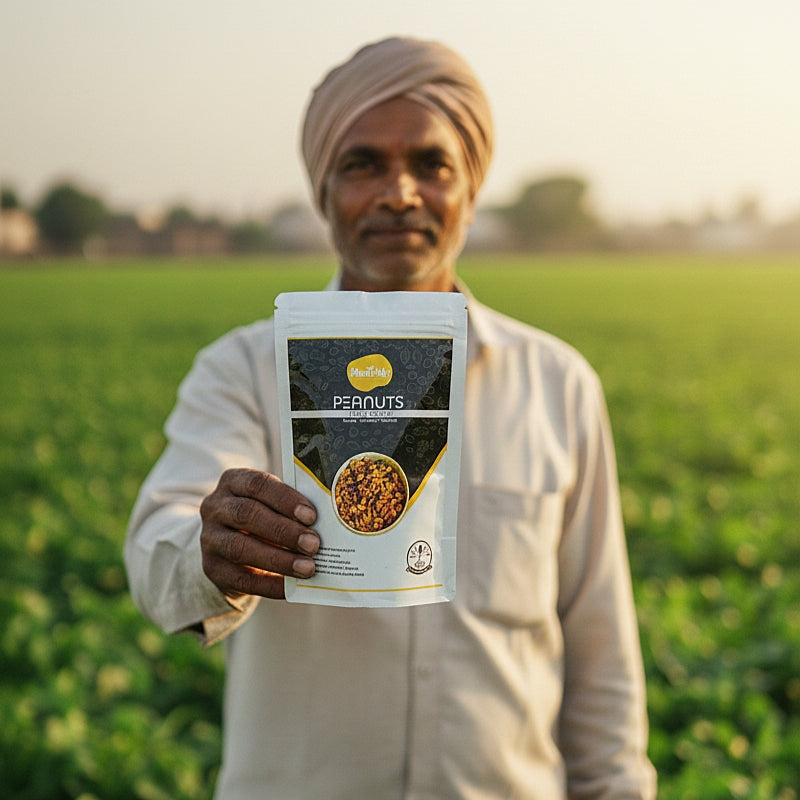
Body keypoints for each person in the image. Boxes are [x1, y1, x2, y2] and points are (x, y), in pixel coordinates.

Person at [125, 36, 657, 800]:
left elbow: (601, 654)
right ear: (324, 193)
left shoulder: (556, 384)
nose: (399, 193)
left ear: (471, 187)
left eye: (432, 164)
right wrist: (212, 549)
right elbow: (158, 543)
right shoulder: (245, 370)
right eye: (363, 164)